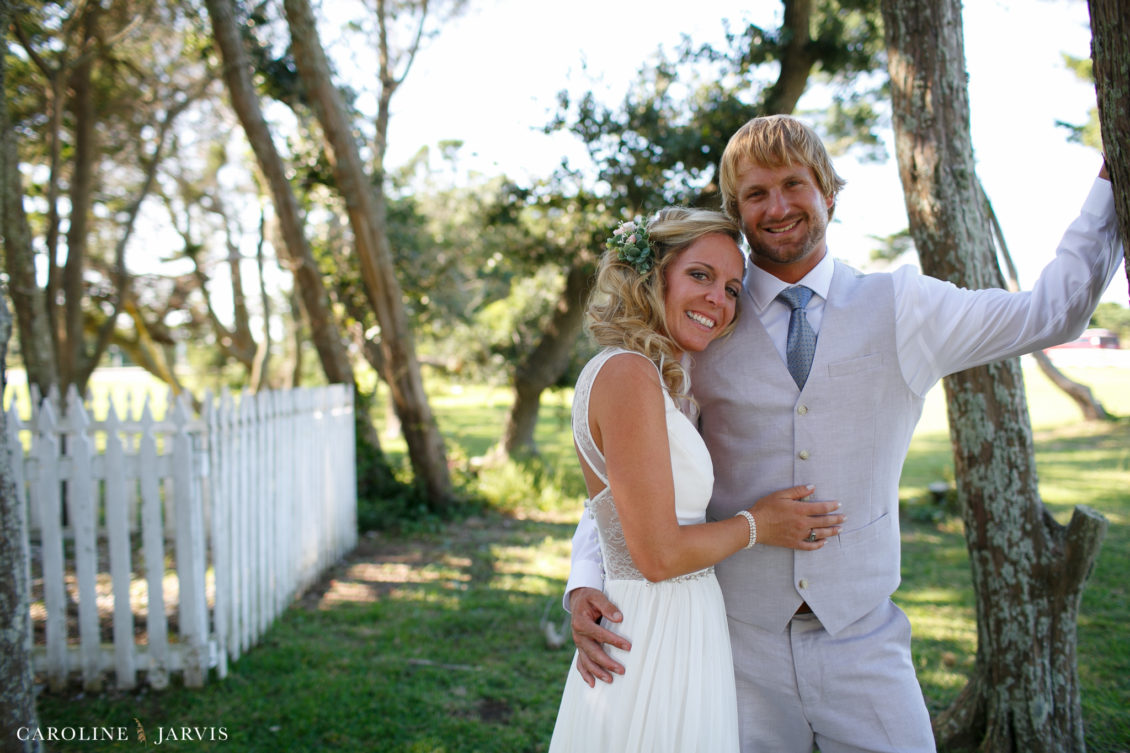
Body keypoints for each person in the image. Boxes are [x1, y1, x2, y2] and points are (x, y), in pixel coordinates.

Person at [565, 115, 1124, 753]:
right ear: (737, 213)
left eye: (793, 185)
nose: (777, 207)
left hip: (863, 641)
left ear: (828, 191)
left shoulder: (905, 306)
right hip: (733, 641)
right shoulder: (703, 318)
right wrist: (585, 577)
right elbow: (632, 467)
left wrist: (1108, 184)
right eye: (755, 194)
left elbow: (1054, 311)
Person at [547, 206, 840, 753]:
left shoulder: (660, 379)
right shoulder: (628, 374)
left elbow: (615, 505)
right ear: (653, 275)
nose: (719, 301)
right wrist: (760, 525)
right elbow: (656, 554)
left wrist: (584, 578)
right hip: (655, 628)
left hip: (682, 623)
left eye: (733, 289)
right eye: (700, 276)